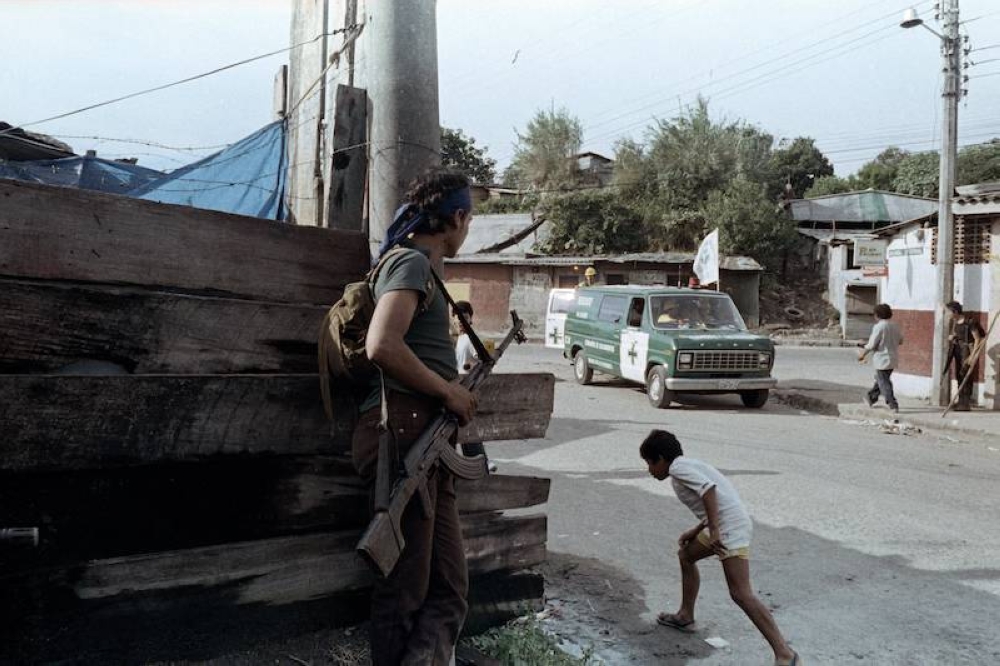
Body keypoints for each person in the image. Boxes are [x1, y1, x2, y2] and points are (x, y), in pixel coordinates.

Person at [353, 169, 477, 666]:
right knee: (403, 589)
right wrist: (449, 390)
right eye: (469, 221)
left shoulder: (423, 269)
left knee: (449, 589)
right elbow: (381, 345)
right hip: (404, 433)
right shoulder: (411, 264)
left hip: (426, 439)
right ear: (458, 218)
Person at [640, 429, 800, 666]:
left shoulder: (677, 469)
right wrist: (696, 531)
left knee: (741, 594)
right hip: (726, 524)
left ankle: (785, 654)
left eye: (649, 463)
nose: (649, 470)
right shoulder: (686, 465)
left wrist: (714, 531)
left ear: (661, 459)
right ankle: (685, 615)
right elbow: (714, 497)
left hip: (729, 529)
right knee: (686, 556)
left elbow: (709, 491)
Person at [452, 300, 496, 472]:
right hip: (458, 389)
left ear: (470, 319)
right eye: (457, 319)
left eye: (464, 318)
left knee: (467, 431)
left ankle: (481, 463)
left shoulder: (470, 339)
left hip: (467, 390)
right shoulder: (460, 339)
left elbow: (484, 360)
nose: (460, 322)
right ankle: (481, 463)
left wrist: (470, 368)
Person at [858, 303, 903, 413]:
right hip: (893, 357)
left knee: (884, 382)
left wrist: (863, 354)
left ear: (877, 315)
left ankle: (892, 403)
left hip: (882, 358)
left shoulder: (879, 326)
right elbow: (900, 341)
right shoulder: (895, 326)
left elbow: (872, 344)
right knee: (881, 379)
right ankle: (871, 398)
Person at [946, 301, 986, 411]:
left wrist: (972, 356)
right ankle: (960, 400)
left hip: (967, 351)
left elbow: (977, 339)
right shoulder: (955, 322)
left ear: (955, 311)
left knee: (966, 375)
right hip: (958, 350)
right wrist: (953, 337)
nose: (948, 314)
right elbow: (958, 335)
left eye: (949, 312)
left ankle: (966, 403)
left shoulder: (969, 322)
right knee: (959, 374)